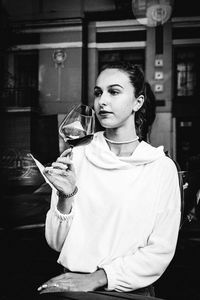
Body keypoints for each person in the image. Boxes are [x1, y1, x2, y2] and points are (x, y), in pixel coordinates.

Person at [37, 62, 181, 298]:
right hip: (71, 286)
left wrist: (99, 278)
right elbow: (56, 243)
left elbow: (160, 251)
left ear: (138, 102)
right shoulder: (78, 156)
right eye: (98, 93)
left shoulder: (159, 168)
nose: (102, 101)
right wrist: (66, 197)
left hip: (129, 292)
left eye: (114, 92)